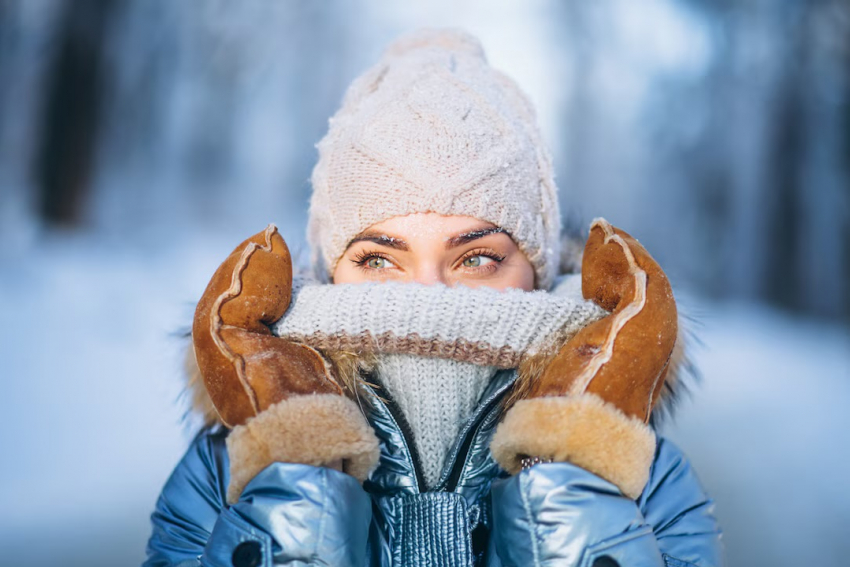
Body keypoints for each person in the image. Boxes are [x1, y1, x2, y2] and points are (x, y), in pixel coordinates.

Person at [144, 29, 724, 567]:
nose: (427, 297)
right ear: (330, 269)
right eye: (379, 259)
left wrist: (572, 478)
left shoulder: (639, 476)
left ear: (538, 271)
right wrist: (293, 480)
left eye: (476, 259)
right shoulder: (230, 471)